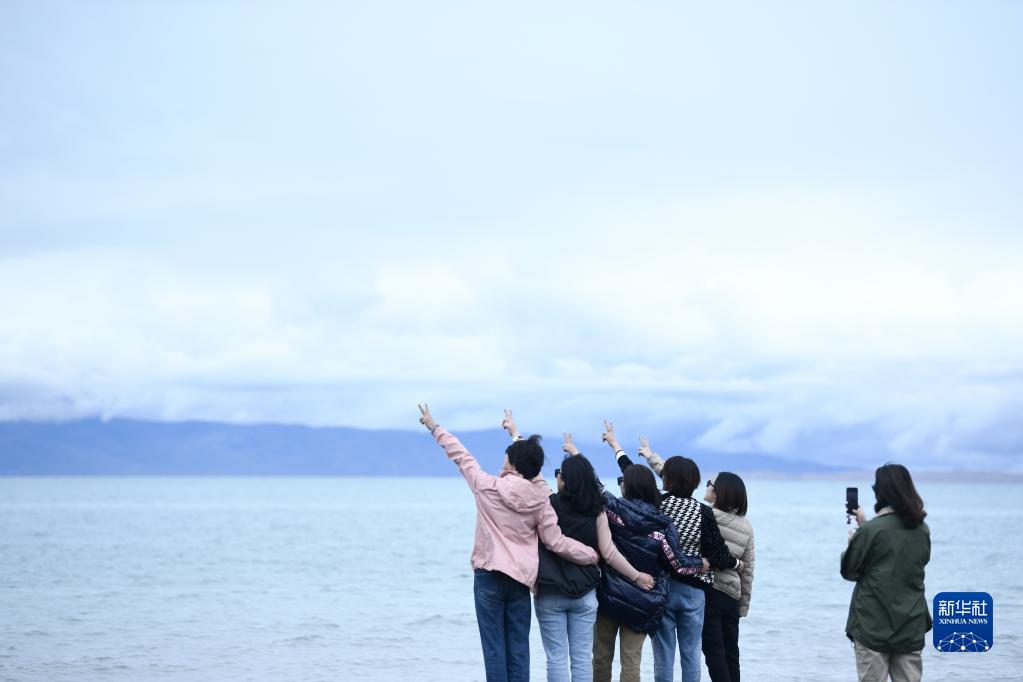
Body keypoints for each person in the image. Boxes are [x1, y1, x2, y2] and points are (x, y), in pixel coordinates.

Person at [417, 404, 600, 682]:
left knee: (494, 649)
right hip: (520, 581)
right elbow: (556, 542)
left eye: (507, 455)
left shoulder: (485, 486)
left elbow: (461, 456)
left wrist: (434, 427)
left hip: (489, 576)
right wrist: (591, 554)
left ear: (512, 464)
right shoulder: (541, 501)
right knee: (518, 648)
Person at [499, 411, 655, 682]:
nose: (556, 477)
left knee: (556, 659)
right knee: (582, 659)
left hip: (551, 591)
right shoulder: (597, 510)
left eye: (559, 474)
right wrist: (636, 576)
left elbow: (533, 475)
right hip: (585, 593)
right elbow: (609, 553)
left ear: (564, 480)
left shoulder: (548, 504)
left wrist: (516, 435)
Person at [610, 430, 743, 682]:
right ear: (695, 482)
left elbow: (633, 475)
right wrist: (733, 563)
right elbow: (718, 553)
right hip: (696, 591)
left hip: (663, 587)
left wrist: (616, 447)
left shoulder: (657, 503)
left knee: (664, 654)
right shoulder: (703, 512)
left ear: (666, 480)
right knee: (691, 654)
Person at [590, 430, 710, 682]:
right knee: (631, 662)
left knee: (601, 657)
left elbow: (592, 483)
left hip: (609, 593)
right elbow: (678, 564)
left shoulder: (612, 507)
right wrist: (703, 563)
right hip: (643, 599)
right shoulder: (663, 523)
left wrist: (608, 447)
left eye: (622, 480)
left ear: (627, 485)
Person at [841, 464, 931, 682]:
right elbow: (908, 561)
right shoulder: (922, 529)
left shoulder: (870, 531)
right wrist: (865, 526)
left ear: (880, 493)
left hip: (872, 626)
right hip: (910, 625)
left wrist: (855, 540)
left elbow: (849, 571)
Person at [701, 472, 755, 682]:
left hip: (712, 593)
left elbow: (674, 481)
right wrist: (743, 606)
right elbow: (748, 571)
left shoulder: (707, 515)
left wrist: (651, 458)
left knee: (714, 653)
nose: (706, 485)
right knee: (732, 654)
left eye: (709, 483)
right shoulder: (746, 526)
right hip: (732, 597)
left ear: (718, 492)